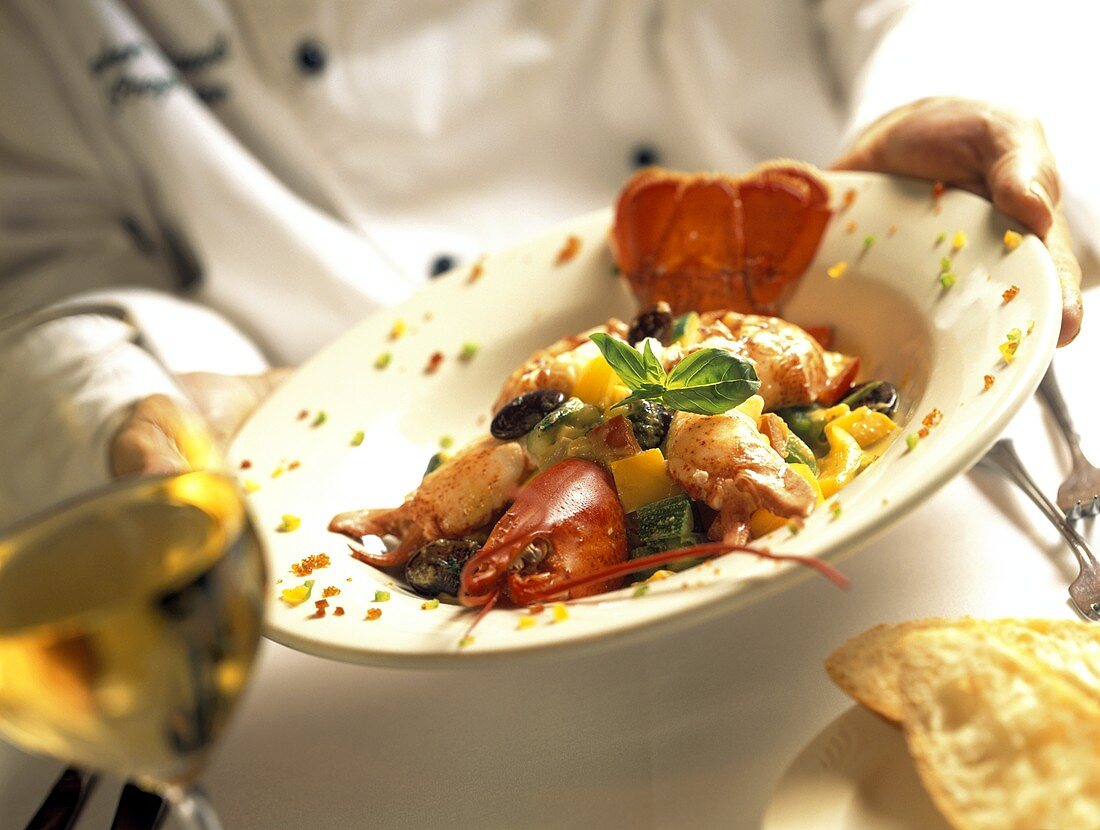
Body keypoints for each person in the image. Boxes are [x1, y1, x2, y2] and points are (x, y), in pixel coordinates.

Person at [0, 0, 1090, 526]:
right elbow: (41, 259)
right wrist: (126, 383)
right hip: (335, 576)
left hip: (914, 474)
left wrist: (937, 124)